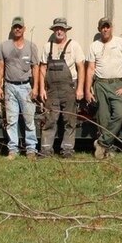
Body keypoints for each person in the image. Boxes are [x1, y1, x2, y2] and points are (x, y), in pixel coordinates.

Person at [85, 17, 122, 159]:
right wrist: (88, 90)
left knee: (120, 113)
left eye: (107, 26)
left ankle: (101, 143)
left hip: (117, 85)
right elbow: (90, 69)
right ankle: (105, 151)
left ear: (111, 28)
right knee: (103, 119)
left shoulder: (121, 43)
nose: (105, 29)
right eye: (102, 27)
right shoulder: (94, 46)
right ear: (99, 29)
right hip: (100, 84)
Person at [34, 17, 85, 158]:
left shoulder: (74, 46)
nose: (59, 31)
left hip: (69, 88)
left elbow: (81, 68)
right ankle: (45, 150)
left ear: (66, 30)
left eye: (62, 29)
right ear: (54, 30)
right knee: (50, 119)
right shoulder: (47, 47)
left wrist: (80, 89)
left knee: (69, 120)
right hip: (51, 90)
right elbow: (42, 68)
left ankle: (67, 149)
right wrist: (42, 89)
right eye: (57, 29)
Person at [0, 16, 40, 159]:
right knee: (11, 120)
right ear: (12, 28)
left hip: (26, 87)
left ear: (24, 29)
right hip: (9, 87)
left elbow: (35, 69)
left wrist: (35, 89)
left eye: (20, 27)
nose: (17, 29)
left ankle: (31, 150)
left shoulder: (31, 46)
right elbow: (0, 68)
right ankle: (12, 150)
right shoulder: (4, 46)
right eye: (15, 26)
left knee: (29, 120)